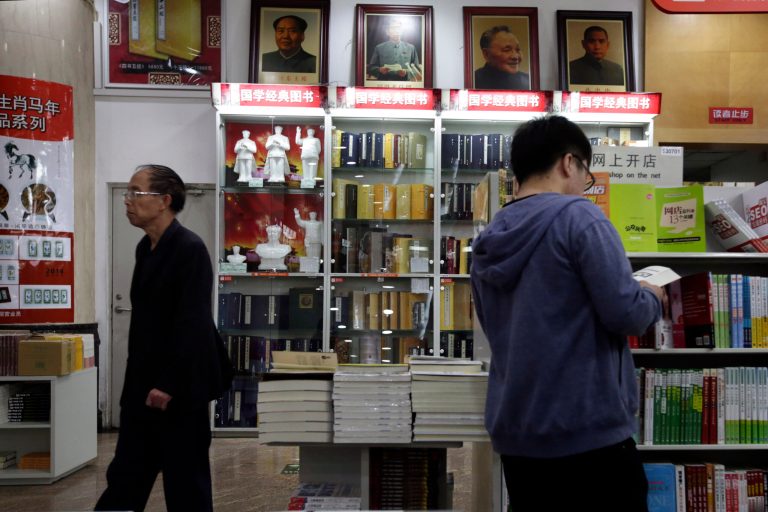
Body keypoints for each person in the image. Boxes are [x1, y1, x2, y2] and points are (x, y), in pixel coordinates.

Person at [470, 116, 665, 511]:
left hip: (519, 435)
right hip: (589, 432)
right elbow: (626, 314)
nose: (584, 186)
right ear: (568, 163)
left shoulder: (489, 237)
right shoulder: (581, 217)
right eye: (587, 175)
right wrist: (651, 295)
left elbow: (494, 329)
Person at [96, 165, 227, 512]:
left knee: (186, 483)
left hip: (179, 390)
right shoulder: (145, 247)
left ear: (164, 201)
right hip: (143, 386)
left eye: (136, 193)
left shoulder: (189, 249)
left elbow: (193, 323)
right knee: (125, 477)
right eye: (127, 193)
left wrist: (168, 384)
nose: (128, 201)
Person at [474, 26, 530, 90]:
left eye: (518, 49)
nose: (515, 56)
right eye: (507, 50)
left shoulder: (527, 81)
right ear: (486, 54)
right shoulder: (472, 80)